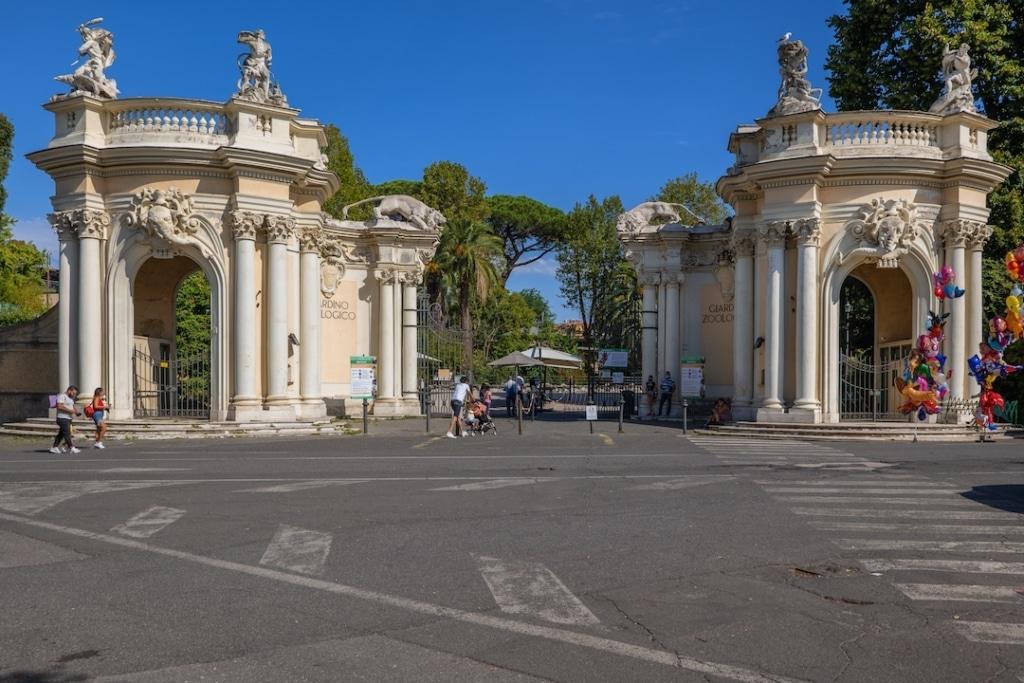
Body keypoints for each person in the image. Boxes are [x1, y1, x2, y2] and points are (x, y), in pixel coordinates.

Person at [51, 385, 81, 454]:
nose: (74, 395)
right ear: (69, 390)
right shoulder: (62, 396)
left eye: (75, 394)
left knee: (61, 434)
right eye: (73, 393)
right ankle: (72, 448)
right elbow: (59, 406)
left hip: (68, 418)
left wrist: (76, 412)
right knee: (67, 433)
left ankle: (54, 447)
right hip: (62, 418)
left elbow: (72, 406)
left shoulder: (70, 398)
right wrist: (70, 411)